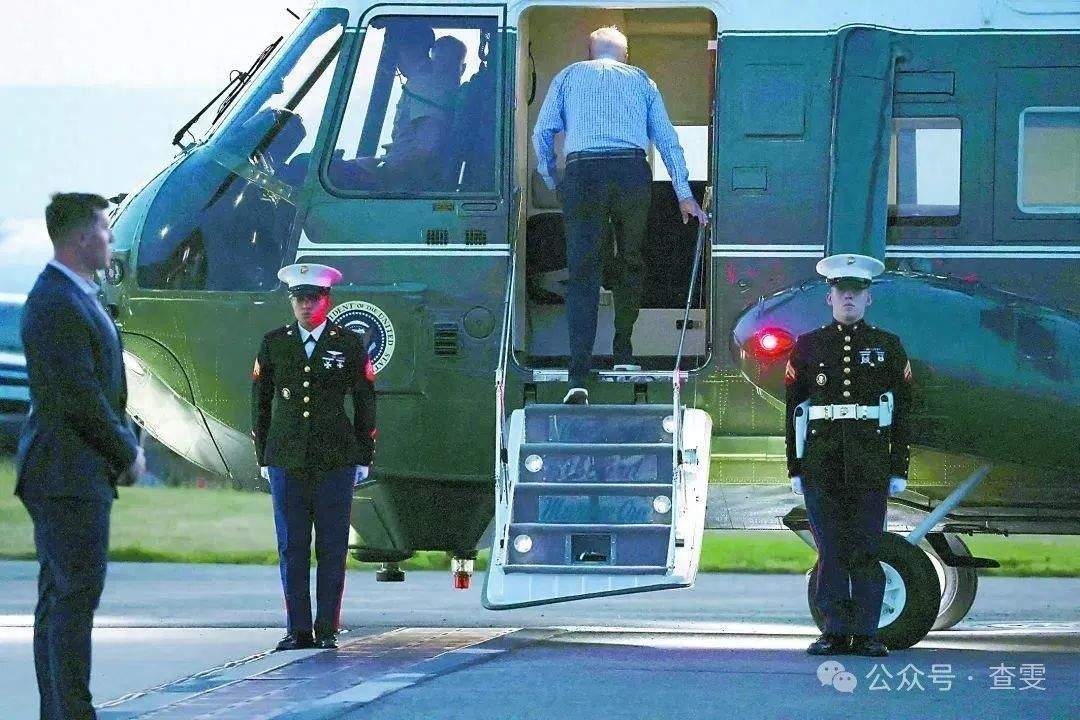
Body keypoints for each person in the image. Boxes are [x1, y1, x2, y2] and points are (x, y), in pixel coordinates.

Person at [15, 192, 146, 719]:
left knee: (64, 596)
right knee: (72, 596)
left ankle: (61, 710)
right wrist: (127, 451)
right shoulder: (55, 301)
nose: (111, 239)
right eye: (105, 230)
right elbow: (78, 396)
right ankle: (70, 711)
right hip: (65, 472)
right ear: (82, 236)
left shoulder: (77, 296)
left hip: (74, 471)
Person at [532, 25, 709, 405]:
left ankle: (578, 375)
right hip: (631, 172)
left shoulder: (568, 76)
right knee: (630, 261)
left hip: (583, 172)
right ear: (625, 55)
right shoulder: (642, 80)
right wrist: (684, 195)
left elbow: (542, 133)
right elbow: (667, 140)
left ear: (589, 52)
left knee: (583, 273)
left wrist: (554, 180)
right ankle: (623, 352)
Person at [785, 253, 913, 658]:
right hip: (821, 461)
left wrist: (898, 466)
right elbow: (794, 410)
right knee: (831, 550)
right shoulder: (808, 346)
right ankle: (834, 632)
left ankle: (868, 633)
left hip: (869, 461)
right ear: (830, 297)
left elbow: (902, 412)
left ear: (868, 298)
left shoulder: (888, 347)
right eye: (841, 291)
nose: (848, 298)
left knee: (866, 549)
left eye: (856, 291)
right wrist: (795, 466)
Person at [251, 263, 377, 650]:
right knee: (292, 546)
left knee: (332, 546)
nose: (306, 305)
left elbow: (365, 402)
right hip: (286, 457)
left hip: (335, 458)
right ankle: (297, 629)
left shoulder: (348, 344)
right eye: (299, 298)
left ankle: (326, 629)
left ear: (327, 300)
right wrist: (263, 455)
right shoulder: (275, 343)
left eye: (314, 298)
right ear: (291, 302)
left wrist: (363, 455)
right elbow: (260, 404)